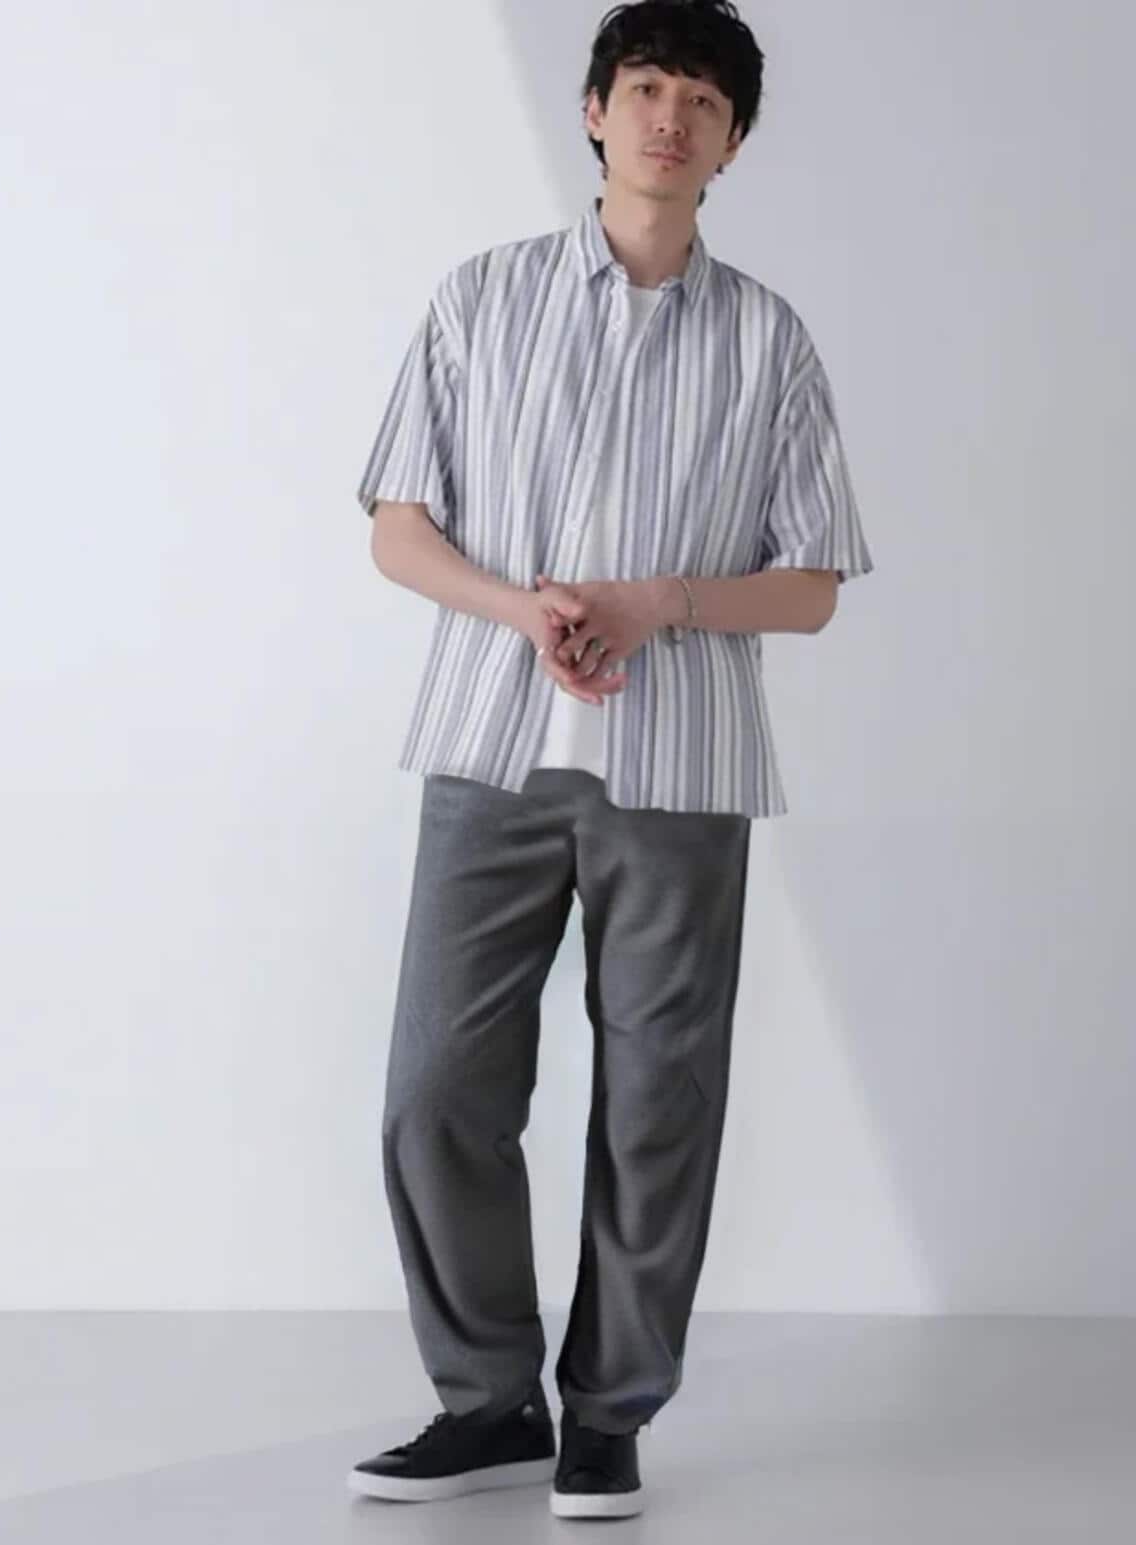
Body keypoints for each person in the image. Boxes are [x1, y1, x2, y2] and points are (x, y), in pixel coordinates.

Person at [347, 0, 874, 1520]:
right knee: (437, 1088)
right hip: (491, 749)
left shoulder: (768, 338)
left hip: (682, 769)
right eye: (646, 87)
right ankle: (489, 1400)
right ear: (594, 109)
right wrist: (526, 610)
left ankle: (608, 1415)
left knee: (657, 1102)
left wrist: (662, 604)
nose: (669, 118)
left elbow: (814, 584)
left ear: (732, 141)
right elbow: (397, 527)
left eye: (702, 100)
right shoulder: (483, 298)